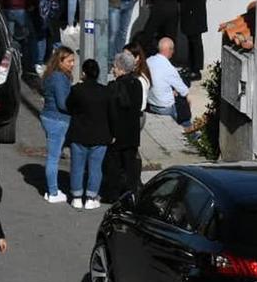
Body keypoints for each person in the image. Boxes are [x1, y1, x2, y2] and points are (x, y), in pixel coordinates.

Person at [65, 59, 111, 210]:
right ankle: (91, 197)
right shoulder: (105, 91)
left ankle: (77, 197)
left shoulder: (77, 90)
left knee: (77, 166)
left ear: (84, 73)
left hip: (79, 134)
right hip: (100, 135)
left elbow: (69, 106)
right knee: (95, 168)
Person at [102, 51, 146, 202]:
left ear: (120, 68)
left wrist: (111, 132)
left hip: (117, 134)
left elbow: (112, 112)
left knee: (113, 166)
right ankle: (131, 193)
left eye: (114, 67)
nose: (113, 69)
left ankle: (112, 195)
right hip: (132, 132)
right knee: (130, 165)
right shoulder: (138, 84)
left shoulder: (114, 87)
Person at [40, 46, 75, 203]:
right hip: (57, 119)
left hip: (49, 116)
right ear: (60, 61)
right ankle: (53, 192)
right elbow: (62, 103)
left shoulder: (50, 75)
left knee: (54, 154)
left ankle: (52, 189)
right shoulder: (60, 78)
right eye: (69, 61)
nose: (72, 64)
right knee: (53, 157)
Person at [147, 37, 192, 125]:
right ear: (170, 50)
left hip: (151, 103)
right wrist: (188, 98)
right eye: (173, 49)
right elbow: (183, 90)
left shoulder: (149, 61)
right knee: (183, 102)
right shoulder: (168, 67)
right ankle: (188, 128)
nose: (173, 52)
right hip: (164, 107)